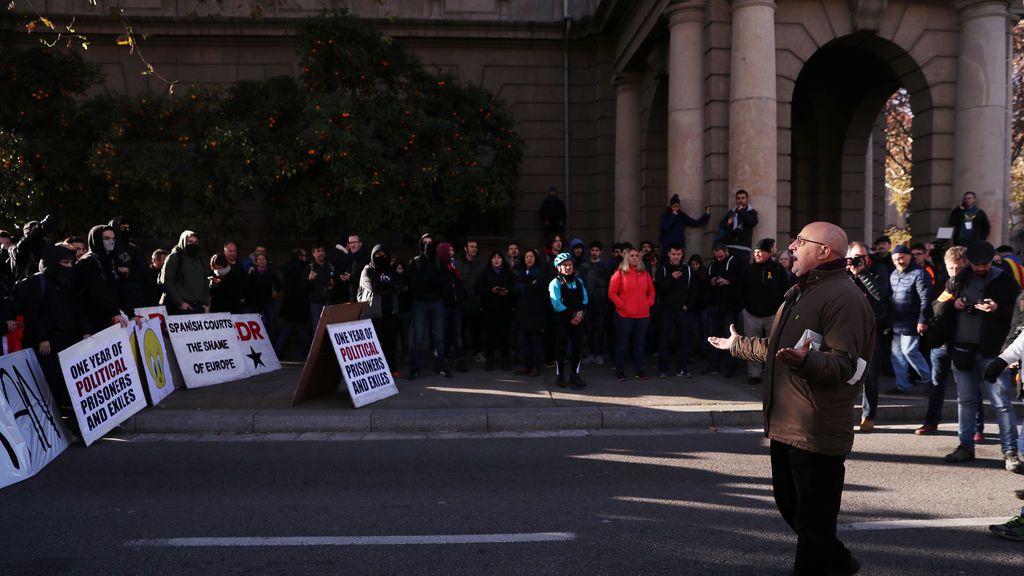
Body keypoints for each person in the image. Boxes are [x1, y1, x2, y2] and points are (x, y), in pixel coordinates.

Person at [709, 221, 874, 576]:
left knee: (813, 525)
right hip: (787, 423)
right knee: (794, 508)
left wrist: (808, 360)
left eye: (801, 241)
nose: (792, 247)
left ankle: (829, 563)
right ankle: (839, 561)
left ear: (824, 251)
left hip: (816, 429)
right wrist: (737, 344)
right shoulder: (802, 290)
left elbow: (848, 365)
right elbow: (779, 347)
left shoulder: (844, 298)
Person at [943, 241, 1019, 468]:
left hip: (993, 352)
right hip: (963, 349)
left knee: (1001, 403)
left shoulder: (1005, 280)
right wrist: (954, 305)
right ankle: (965, 446)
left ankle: (1010, 452)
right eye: (975, 264)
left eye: (983, 264)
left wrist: (998, 309)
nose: (979, 268)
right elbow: (937, 306)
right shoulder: (958, 279)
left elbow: (1018, 315)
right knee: (965, 401)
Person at [14, 244, 84, 435]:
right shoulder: (37, 283)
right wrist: (43, 338)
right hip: (47, 346)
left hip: (64, 342)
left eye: (71, 262)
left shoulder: (65, 283)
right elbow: (32, 313)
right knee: (52, 386)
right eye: (65, 262)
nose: (69, 266)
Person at [916, 246, 984, 438]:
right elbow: (934, 308)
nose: (954, 272)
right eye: (950, 268)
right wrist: (951, 305)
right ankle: (931, 422)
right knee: (936, 386)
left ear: (967, 265)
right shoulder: (943, 282)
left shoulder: (976, 284)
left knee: (969, 388)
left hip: (965, 341)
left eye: (958, 268)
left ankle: (977, 428)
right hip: (942, 342)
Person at [845, 242, 890, 434]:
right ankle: (843, 415)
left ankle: (869, 416)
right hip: (846, 330)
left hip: (871, 330)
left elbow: (880, 294)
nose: (859, 260)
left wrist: (862, 273)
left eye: (862, 256)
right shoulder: (842, 272)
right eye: (855, 256)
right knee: (844, 374)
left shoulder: (878, 269)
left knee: (869, 376)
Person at [742, 238, 789, 385]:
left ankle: (771, 373)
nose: (757, 254)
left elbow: (785, 289)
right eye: (755, 252)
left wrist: (781, 308)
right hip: (751, 314)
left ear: (768, 253)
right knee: (752, 345)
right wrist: (745, 306)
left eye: (760, 252)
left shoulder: (777, 269)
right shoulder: (748, 269)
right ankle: (754, 374)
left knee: (772, 345)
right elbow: (741, 289)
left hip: (772, 314)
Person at [888, 245, 932, 393]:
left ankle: (930, 380)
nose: (898, 261)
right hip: (897, 322)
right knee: (896, 356)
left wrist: (922, 320)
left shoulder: (920, 274)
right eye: (895, 259)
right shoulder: (893, 274)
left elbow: (925, 299)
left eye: (901, 257)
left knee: (909, 351)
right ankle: (903, 386)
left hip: (913, 321)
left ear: (908, 256)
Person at [408, 233, 450, 379]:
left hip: (436, 302)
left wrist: (428, 282)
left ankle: (441, 367)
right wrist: (428, 282)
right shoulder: (415, 262)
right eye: (424, 243)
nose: (427, 246)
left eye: (430, 243)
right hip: (420, 303)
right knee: (418, 338)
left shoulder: (440, 262)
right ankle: (415, 368)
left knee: (439, 337)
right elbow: (413, 283)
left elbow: (444, 281)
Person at [608, 247, 655, 382]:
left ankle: (640, 370)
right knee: (622, 343)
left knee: (639, 344)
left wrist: (648, 303)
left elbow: (651, 292)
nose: (634, 257)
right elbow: (612, 294)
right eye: (631, 255)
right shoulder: (619, 274)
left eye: (636, 256)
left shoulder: (645, 274)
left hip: (643, 315)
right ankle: (620, 370)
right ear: (627, 258)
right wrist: (623, 306)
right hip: (625, 315)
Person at [73, 225, 128, 336]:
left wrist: (130, 313)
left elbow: (115, 289)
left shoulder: (108, 261)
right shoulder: (87, 262)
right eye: (106, 238)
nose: (111, 242)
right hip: (89, 322)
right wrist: (114, 311)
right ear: (97, 239)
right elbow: (96, 290)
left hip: (103, 319)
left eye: (113, 239)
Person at [358, 244, 403, 374]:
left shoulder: (390, 269)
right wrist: (390, 286)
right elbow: (373, 287)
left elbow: (400, 285)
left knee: (391, 343)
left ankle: (392, 369)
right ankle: (374, 372)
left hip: (391, 312)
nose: (381, 257)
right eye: (377, 254)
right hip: (374, 314)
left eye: (383, 254)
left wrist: (387, 285)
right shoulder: (367, 270)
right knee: (374, 345)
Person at [654, 243, 697, 378]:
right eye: (673, 254)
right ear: (669, 254)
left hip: (682, 311)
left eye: (678, 254)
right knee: (664, 340)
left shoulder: (688, 269)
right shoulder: (663, 268)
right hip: (667, 310)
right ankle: (663, 369)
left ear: (682, 254)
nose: (676, 257)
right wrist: (671, 278)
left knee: (683, 340)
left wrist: (688, 305)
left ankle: (682, 368)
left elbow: (694, 290)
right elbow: (659, 288)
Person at [549, 252, 588, 387]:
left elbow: (585, 299)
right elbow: (556, 303)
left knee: (578, 347)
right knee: (561, 348)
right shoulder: (555, 283)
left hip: (578, 319)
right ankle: (560, 376)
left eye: (570, 264)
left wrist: (580, 314)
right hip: (563, 320)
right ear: (558, 268)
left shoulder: (579, 281)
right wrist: (572, 315)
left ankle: (574, 374)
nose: (568, 267)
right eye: (565, 265)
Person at [704, 242, 742, 377]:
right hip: (714, 305)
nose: (719, 258)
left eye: (721, 256)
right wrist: (712, 282)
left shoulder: (735, 262)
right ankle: (714, 365)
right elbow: (707, 281)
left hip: (730, 307)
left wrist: (729, 282)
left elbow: (742, 281)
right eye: (717, 256)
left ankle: (729, 368)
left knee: (729, 337)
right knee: (713, 336)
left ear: (726, 252)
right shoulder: (713, 264)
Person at [477, 251, 515, 371]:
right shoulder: (485, 273)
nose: (497, 260)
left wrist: (507, 291)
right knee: (490, 336)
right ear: (491, 260)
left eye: (499, 258)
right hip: (490, 309)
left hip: (505, 309)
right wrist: (491, 290)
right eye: (494, 258)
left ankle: (505, 359)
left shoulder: (508, 273)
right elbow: (478, 289)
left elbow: (514, 288)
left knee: (505, 335)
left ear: (502, 260)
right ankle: (490, 359)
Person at [513, 249, 547, 377]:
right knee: (525, 340)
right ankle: (526, 366)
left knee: (535, 341)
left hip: (536, 310)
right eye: (527, 256)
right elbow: (515, 289)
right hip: (523, 310)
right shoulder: (520, 272)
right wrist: (529, 286)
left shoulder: (540, 272)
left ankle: (536, 367)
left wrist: (525, 287)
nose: (529, 258)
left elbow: (538, 287)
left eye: (531, 256)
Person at [159, 230, 209, 315]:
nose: (193, 244)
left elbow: (205, 281)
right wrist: (180, 303)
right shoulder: (174, 258)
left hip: (199, 307)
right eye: (190, 241)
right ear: (183, 242)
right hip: (181, 308)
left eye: (196, 242)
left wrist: (206, 303)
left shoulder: (200, 259)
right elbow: (166, 282)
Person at [437, 241, 469, 372]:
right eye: (449, 251)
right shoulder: (440, 267)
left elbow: (457, 284)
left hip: (455, 305)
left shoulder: (453, 266)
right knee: (444, 333)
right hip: (444, 305)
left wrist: (461, 295)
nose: (452, 253)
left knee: (457, 333)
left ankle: (459, 358)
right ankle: (443, 359)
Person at [108, 216, 148, 317]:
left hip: (134, 294)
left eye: (128, 228)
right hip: (114, 294)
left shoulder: (134, 249)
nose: (126, 231)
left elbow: (144, 270)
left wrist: (129, 271)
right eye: (122, 228)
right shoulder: (109, 249)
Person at [275, 249, 310, 358]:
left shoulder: (288, 267)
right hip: (299, 302)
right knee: (302, 328)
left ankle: (278, 348)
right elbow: (303, 285)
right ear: (300, 257)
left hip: (289, 302)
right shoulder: (302, 267)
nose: (306, 257)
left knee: (288, 327)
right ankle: (306, 351)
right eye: (305, 255)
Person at [455, 239, 486, 363]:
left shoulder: (481, 264)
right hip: (461, 303)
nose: (474, 249)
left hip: (476, 302)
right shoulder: (458, 264)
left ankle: (478, 353)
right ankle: (460, 355)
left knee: (476, 331)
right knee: (460, 330)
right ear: (465, 248)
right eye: (471, 246)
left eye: (476, 246)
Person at [579, 241, 609, 365]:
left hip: (601, 302)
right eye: (593, 250)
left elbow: (608, 283)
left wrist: (604, 296)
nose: (594, 252)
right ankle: (591, 354)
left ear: (600, 252)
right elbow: (580, 283)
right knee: (589, 329)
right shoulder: (584, 266)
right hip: (588, 302)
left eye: (597, 250)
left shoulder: (604, 266)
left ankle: (600, 354)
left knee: (601, 329)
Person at [717, 189, 758, 262]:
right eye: (738, 198)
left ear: (747, 199)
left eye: (743, 198)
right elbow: (721, 225)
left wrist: (742, 211)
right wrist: (727, 223)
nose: (740, 200)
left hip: (744, 248)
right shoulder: (732, 212)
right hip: (730, 246)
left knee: (742, 271)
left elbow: (752, 222)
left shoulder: (752, 212)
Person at [246, 252, 282, 335]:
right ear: (256, 262)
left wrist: (275, 291)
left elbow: (279, 284)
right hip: (256, 302)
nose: (262, 261)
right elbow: (248, 286)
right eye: (259, 259)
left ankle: (272, 344)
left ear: (266, 261)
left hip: (268, 301)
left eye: (263, 259)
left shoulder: (271, 272)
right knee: (260, 323)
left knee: (271, 323)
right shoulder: (253, 273)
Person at [304, 242, 335, 333]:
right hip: (315, 303)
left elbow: (334, 282)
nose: (321, 253)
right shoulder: (309, 268)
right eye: (318, 251)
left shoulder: (330, 266)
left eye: (322, 251)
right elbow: (303, 286)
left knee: (331, 328)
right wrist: (309, 279)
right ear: (313, 253)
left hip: (329, 301)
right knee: (317, 329)